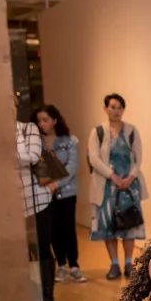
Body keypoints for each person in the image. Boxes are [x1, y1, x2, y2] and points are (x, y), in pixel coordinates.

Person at [89, 93, 148, 280]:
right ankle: (114, 264)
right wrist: (111, 176)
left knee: (129, 225)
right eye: (112, 107)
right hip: (106, 187)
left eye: (119, 107)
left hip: (129, 187)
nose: (116, 111)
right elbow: (94, 158)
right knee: (108, 225)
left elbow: (138, 158)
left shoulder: (132, 131)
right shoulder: (98, 132)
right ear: (105, 109)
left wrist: (131, 177)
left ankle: (129, 262)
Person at [35, 105, 85, 283]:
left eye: (45, 120)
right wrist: (47, 184)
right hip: (45, 192)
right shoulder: (36, 142)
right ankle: (61, 266)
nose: (42, 124)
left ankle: (74, 265)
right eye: (39, 121)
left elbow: (72, 167)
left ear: (54, 120)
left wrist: (58, 183)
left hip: (67, 191)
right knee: (53, 229)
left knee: (68, 228)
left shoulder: (70, 140)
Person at [16, 119, 55, 301]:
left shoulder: (26, 128)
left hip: (36, 201)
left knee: (41, 250)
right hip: (10, 204)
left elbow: (32, 157)